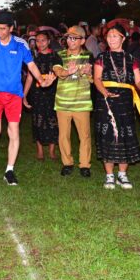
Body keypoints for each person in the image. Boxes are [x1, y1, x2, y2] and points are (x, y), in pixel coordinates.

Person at [0, 11, 54, 186]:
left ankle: (9, 170)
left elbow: (31, 65)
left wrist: (42, 80)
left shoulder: (21, 44)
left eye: (3, 29)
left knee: (14, 131)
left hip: (13, 94)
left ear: (11, 28)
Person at [94, 24, 140, 190]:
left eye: (115, 36)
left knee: (125, 134)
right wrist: (105, 92)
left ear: (123, 39)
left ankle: (122, 174)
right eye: (109, 36)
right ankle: (109, 175)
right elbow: (97, 78)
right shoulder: (101, 57)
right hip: (106, 101)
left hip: (125, 101)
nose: (111, 39)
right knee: (108, 135)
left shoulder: (131, 59)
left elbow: (138, 80)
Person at [52, 25, 94, 178]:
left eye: (74, 38)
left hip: (82, 103)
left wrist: (88, 74)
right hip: (63, 102)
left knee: (85, 136)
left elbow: (93, 80)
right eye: (69, 38)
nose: (70, 41)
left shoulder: (89, 56)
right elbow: (57, 71)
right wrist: (67, 72)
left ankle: (84, 165)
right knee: (63, 136)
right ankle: (67, 163)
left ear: (82, 40)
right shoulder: (59, 54)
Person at [23, 31, 59, 161]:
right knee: (37, 120)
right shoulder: (33, 58)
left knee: (53, 121)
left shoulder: (56, 57)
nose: (40, 43)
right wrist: (24, 95)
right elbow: (29, 78)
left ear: (49, 41)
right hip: (37, 93)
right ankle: (39, 150)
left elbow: (60, 74)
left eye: (43, 40)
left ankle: (51, 150)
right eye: (37, 41)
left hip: (52, 93)